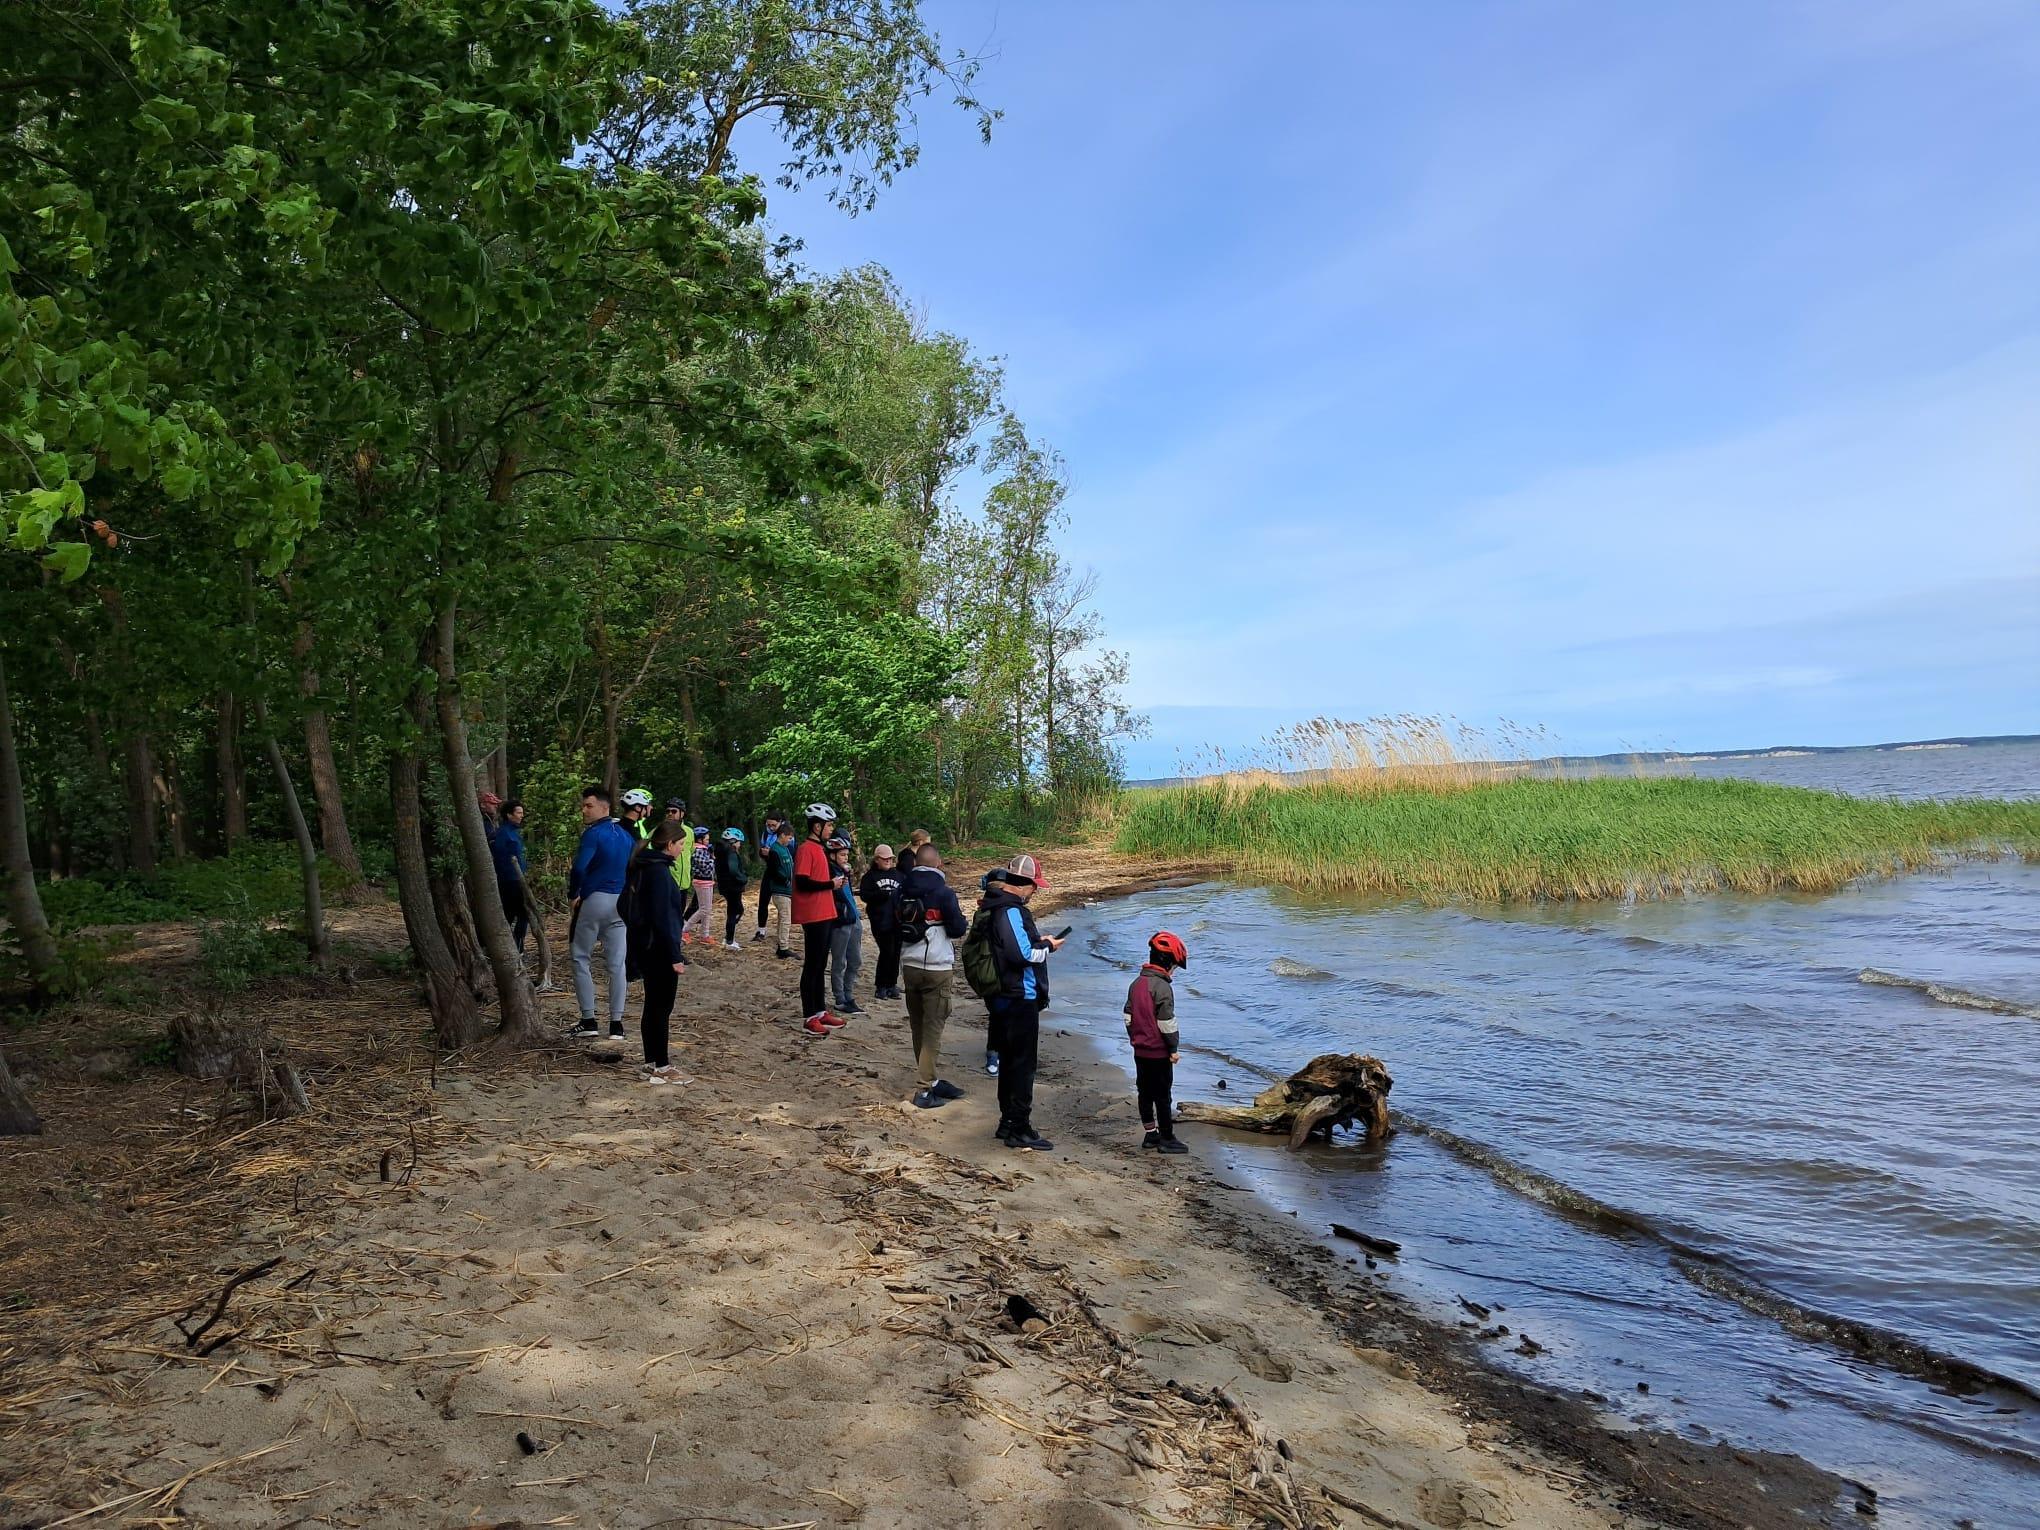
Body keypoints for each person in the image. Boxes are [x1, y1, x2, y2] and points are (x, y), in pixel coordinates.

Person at [984, 853, 1063, 1151]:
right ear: (1024, 883)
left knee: (1010, 1063)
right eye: (1034, 886)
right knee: (1022, 1065)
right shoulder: (1011, 911)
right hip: (1020, 998)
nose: (1036, 892)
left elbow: (1014, 948)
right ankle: (1020, 1127)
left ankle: (1008, 1123)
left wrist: (1037, 943)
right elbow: (1022, 955)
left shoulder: (996, 906)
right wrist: (1048, 946)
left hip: (1006, 997)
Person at [897, 844, 970, 1110]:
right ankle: (925, 1089)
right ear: (938, 862)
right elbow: (957, 928)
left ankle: (931, 1079)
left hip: (909, 964)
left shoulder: (902, 888)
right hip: (937, 966)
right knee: (933, 1030)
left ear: (917, 863)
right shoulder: (944, 892)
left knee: (918, 1025)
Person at [625, 820, 690, 1083]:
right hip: (658, 949)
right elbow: (664, 918)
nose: (683, 850)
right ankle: (661, 1066)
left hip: (646, 945)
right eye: (681, 844)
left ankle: (651, 1061)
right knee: (661, 1007)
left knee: (652, 1005)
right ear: (669, 844)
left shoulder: (645, 867)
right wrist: (675, 956)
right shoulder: (659, 873)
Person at [569, 785, 636, 1039]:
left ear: (604, 807)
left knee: (579, 957)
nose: (584, 810)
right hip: (620, 902)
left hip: (595, 898)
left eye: (589, 805)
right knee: (617, 964)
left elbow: (579, 868)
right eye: (584, 805)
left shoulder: (593, 834)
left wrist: (573, 894)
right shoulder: (625, 835)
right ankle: (616, 1023)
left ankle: (588, 1019)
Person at [1125, 931, 1189, 1152]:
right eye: (1174, 967)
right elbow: (1166, 1023)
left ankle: (1151, 1134)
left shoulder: (1136, 983)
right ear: (1168, 963)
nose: (1174, 972)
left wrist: (1135, 1038)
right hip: (1158, 1052)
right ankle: (1167, 1138)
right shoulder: (1163, 988)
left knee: (1145, 1091)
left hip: (1140, 1050)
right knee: (1163, 1096)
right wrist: (1173, 1048)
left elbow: (1128, 1016)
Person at [791, 804, 847, 1035]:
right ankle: (809, 1016)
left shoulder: (819, 848)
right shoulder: (806, 849)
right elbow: (802, 881)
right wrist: (829, 885)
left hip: (824, 912)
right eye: (829, 825)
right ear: (817, 826)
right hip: (813, 914)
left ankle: (820, 1010)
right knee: (812, 965)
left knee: (821, 963)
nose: (831, 829)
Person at [859, 844, 906, 1000]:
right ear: (877, 859)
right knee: (887, 951)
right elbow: (864, 895)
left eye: (890, 859)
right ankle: (881, 986)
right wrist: (881, 895)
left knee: (896, 952)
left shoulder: (899, 875)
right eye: (884, 859)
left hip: (898, 920)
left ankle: (892, 984)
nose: (888, 861)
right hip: (880, 920)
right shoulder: (870, 877)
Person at [827, 835, 864, 1017]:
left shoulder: (844, 872)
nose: (845, 858)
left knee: (856, 959)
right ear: (833, 855)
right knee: (839, 961)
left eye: (846, 855)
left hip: (853, 918)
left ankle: (849, 994)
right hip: (840, 922)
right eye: (842, 855)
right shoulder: (830, 873)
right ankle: (840, 998)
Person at [491, 798, 530, 953]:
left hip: (518, 879)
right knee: (519, 913)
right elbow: (500, 858)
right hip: (510, 881)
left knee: (515, 914)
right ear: (509, 815)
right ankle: (515, 947)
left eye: (522, 813)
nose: (522, 816)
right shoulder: (502, 834)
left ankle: (513, 947)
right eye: (519, 813)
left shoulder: (514, 832)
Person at [762, 824, 796, 958]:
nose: (790, 840)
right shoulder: (775, 850)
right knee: (786, 919)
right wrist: (785, 880)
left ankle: (781, 945)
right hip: (780, 891)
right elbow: (773, 871)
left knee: (783, 918)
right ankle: (783, 947)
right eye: (789, 837)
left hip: (786, 890)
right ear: (782, 835)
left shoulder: (784, 849)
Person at [714, 828, 749, 950]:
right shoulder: (731, 853)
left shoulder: (721, 851)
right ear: (733, 841)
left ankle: (728, 937)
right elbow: (733, 870)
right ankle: (729, 940)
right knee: (735, 912)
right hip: (733, 887)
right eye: (739, 842)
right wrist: (743, 878)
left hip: (725, 886)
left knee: (734, 911)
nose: (740, 845)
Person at [682, 825, 716, 944]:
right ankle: (684, 929)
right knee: (704, 909)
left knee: (707, 909)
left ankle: (704, 935)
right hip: (702, 881)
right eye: (706, 839)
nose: (708, 841)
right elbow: (706, 867)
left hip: (707, 881)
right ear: (700, 840)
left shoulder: (703, 849)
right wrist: (712, 858)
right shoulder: (699, 850)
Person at [752, 814, 783, 940]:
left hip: (782, 871)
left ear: (780, 822)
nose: (770, 827)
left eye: (773, 825)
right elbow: (762, 850)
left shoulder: (785, 834)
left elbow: (788, 853)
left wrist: (771, 853)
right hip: (769, 869)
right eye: (768, 825)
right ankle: (761, 931)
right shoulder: (766, 833)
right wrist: (763, 853)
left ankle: (782, 933)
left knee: (782, 904)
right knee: (763, 901)